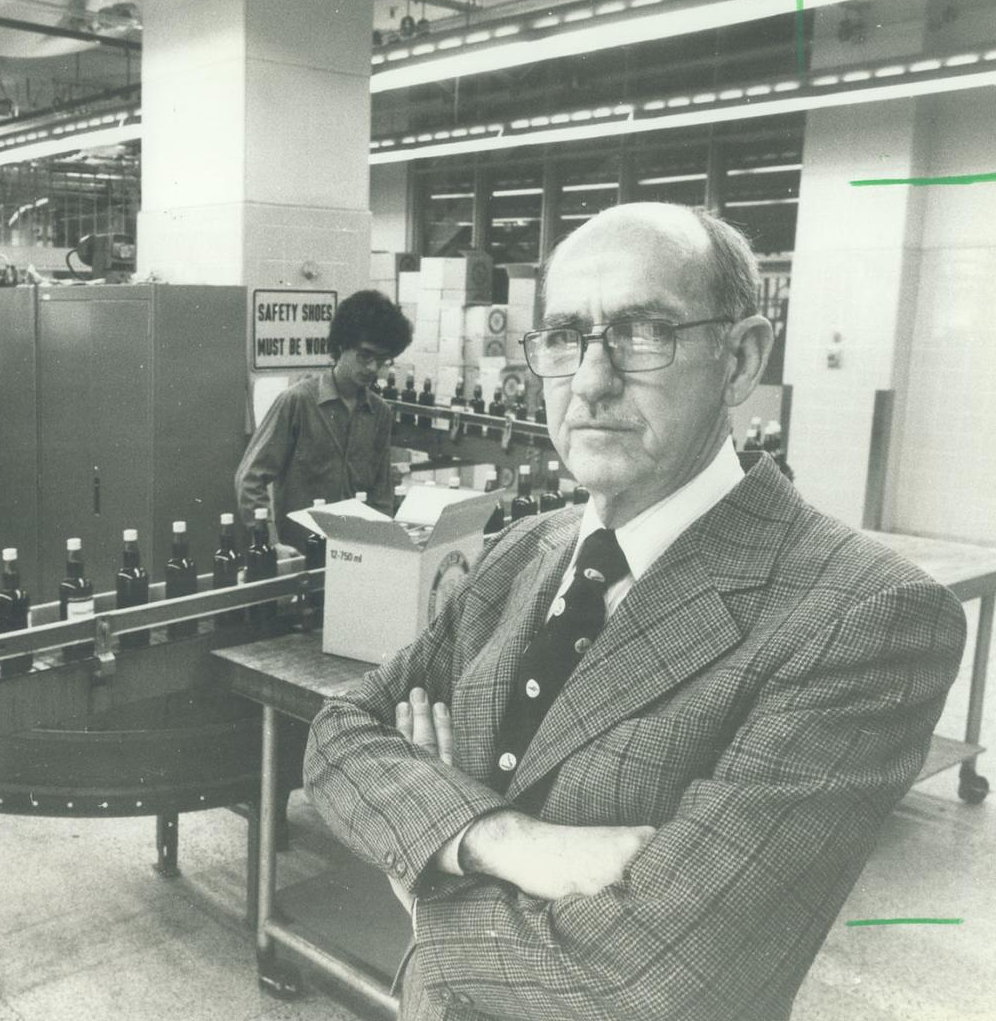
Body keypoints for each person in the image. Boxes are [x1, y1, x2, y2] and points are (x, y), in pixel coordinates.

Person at [303, 203, 965, 1021]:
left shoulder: (862, 615)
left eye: (642, 331)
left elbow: (644, 981)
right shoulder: (526, 549)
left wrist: (421, 863)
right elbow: (338, 735)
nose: (589, 380)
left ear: (741, 358)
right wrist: (496, 840)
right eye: (564, 337)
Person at [235, 289, 413, 548]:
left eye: (382, 360)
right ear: (342, 345)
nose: (373, 368)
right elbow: (249, 479)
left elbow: (381, 493)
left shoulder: (380, 413)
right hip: (299, 552)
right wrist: (271, 543)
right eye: (365, 356)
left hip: (356, 552)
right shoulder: (297, 402)